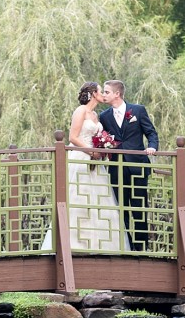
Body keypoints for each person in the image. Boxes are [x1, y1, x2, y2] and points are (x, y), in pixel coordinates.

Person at [41, 82, 127, 252]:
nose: (103, 94)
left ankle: (100, 244)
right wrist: (90, 152)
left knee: (98, 201)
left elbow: (98, 136)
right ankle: (73, 244)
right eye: (101, 91)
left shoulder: (96, 114)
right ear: (94, 93)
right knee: (79, 200)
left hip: (96, 162)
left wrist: (102, 149)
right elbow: (73, 137)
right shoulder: (80, 111)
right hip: (81, 158)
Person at [98, 79, 159, 252]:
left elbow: (151, 132)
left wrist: (152, 147)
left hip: (138, 167)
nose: (104, 95)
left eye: (107, 92)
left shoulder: (138, 111)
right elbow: (102, 139)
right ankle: (127, 246)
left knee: (139, 208)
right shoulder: (104, 116)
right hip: (116, 169)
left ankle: (141, 248)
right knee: (120, 208)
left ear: (117, 93)